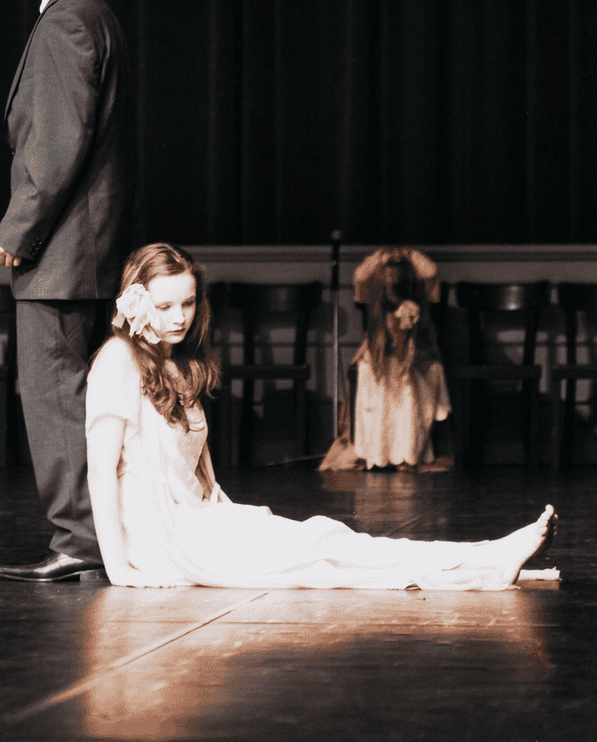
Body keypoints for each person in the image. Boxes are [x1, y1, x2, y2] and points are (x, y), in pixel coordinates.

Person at [86, 243, 558, 590]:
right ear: (138, 301)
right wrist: (119, 568)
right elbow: (102, 472)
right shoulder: (117, 360)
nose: (179, 317)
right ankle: (486, 564)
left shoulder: (178, 362)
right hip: (160, 537)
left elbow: (193, 472)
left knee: (324, 540)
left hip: (197, 521)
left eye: (188, 303)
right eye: (165, 305)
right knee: (320, 552)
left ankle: (489, 559)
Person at [0, 0, 132, 583]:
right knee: (69, 394)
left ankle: (81, 538)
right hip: (81, 248)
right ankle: (90, 534)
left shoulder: (67, 22)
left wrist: (18, 228)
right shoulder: (92, 15)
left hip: (61, 251)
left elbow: (57, 142)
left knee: (51, 395)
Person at [320, 247, 454, 472]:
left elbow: (430, 272)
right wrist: (380, 257)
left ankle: (405, 454)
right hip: (378, 356)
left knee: (407, 388)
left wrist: (409, 255)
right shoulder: (374, 298)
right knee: (370, 373)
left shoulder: (416, 301)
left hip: (412, 358)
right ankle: (376, 452)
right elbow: (362, 275)